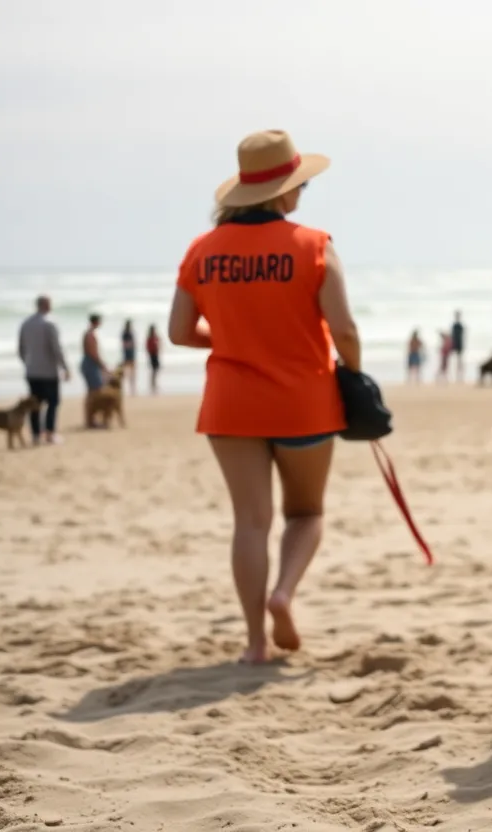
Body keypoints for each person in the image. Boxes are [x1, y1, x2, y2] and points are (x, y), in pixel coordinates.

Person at [168, 129, 361, 664]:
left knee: (250, 523)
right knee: (306, 513)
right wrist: (357, 375)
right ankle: (284, 593)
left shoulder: (202, 251)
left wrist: (234, 340)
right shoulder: (313, 245)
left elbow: (180, 332)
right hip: (304, 400)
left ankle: (254, 643)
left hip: (231, 404)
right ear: (283, 191)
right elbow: (344, 330)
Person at [18, 295, 70, 444]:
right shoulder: (50, 323)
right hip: (48, 371)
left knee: (35, 403)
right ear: (46, 305)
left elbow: (21, 349)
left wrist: (28, 363)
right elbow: (56, 348)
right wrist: (64, 367)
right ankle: (49, 432)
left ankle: (35, 434)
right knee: (53, 402)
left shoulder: (26, 323)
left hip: (32, 371)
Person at [121, 320, 137, 396]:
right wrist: (131, 345)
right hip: (129, 354)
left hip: (129, 354)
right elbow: (125, 344)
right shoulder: (127, 333)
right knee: (129, 372)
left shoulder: (126, 333)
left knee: (130, 372)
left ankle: (132, 388)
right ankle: (131, 388)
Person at [145, 324, 162, 394]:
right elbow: (147, 347)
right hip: (152, 355)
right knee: (153, 370)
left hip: (155, 354)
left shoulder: (155, 337)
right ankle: (152, 384)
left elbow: (160, 343)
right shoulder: (150, 338)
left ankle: (154, 383)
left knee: (156, 370)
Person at [450, 311, 465, 383]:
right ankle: (456, 376)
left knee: (460, 361)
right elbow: (452, 336)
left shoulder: (460, 326)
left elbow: (461, 336)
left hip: (459, 345)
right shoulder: (455, 326)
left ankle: (460, 377)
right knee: (456, 361)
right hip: (455, 345)